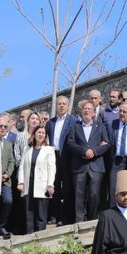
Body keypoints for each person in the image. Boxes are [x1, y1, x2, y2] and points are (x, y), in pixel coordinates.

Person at [67, 101, 110, 223]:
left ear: (94, 113)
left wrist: (94, 152)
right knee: (78, 196)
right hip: (79, 166)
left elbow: (106, 144)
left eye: (89, 109)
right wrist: (84, 151)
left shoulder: (100, 126)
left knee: (94, 195)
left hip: (96, 166)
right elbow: (70, 143)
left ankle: (92, 221)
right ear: (81, 111)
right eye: (85, 109)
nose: (86, 111)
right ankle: (79, 222)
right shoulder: (75, 126)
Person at [17, 126, 56, 233]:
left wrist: (50, 184)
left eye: (43, 133)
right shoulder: (27, 149)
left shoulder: (49, 150)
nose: (41, 134)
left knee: (41, 215)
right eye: (39, 132)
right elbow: (22, 167)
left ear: (45, 136)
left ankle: (40, 238)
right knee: (29, 214)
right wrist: (21, 182)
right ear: (34, 134)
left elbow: (52, 168)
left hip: (42, 185)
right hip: (28, 184)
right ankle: (30, 237)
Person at [46, 95, 75, 225]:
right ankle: (55, 216)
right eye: (59, 104)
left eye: (64, 104)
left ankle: (66, 217)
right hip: (53, 157)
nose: (61, 106)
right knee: (55, 186)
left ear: (68, 106)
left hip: (67, 157)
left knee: (68, 187)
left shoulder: (73, 121)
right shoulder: (50, 123)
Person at [0, 115, 17, 239]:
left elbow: (11, 162)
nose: (3, 128)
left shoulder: (8, 144)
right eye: (0, 126)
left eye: (5, 126)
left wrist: (7, 174)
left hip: (5, 180)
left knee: (8, 201)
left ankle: (1, 226)